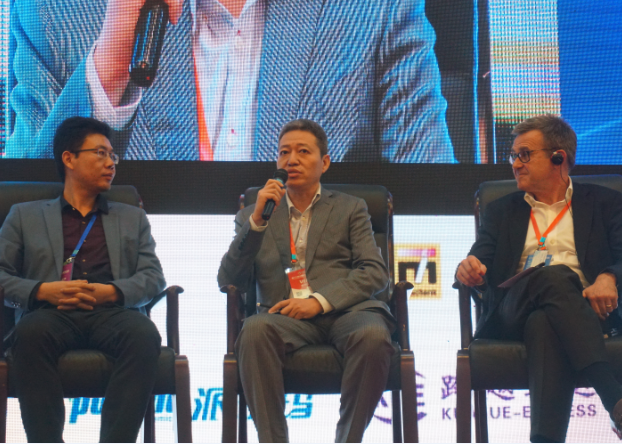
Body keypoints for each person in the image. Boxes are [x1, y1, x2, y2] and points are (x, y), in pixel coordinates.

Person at [6, 0, 455, 163]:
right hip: (122, 317)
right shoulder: (55, 10)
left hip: (311, 314)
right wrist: (108, 68)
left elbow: (433, 205)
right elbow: (18, 227)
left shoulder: (375, 9)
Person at [455, 114, 622, 442]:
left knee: (545, 322)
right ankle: (615, 401)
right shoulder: (502, 210)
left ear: (558, 158)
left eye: (524, 155)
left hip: (582, 312)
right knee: (555, 275)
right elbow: (479, 261)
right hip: (512, 311)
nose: (515, 164)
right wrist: (470, 269)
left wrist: (608, 277)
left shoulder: (604, 203)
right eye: (513, 156)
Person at [218, 119, 394, 442]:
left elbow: (374, 271)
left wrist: (318, 302)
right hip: (284, 319)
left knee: (372, 334)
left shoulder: (350, 208)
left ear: (324, 162)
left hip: (345, 313)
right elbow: (228, 280)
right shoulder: (254, 214)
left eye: (302, 152)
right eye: (284, 152)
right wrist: (256, 223)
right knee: (254, 329)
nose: (291, 160)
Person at [0, 117, 166, 442]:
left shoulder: (132, 217)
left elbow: (153, 277)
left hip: (112, 313)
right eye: (101, 153)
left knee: (144, 334)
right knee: (30, 333)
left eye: (113, 156)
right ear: (69, 158)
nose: (111, 163)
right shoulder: (24, 215)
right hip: (50, 314)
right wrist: (42, 290)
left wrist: (112, 293)